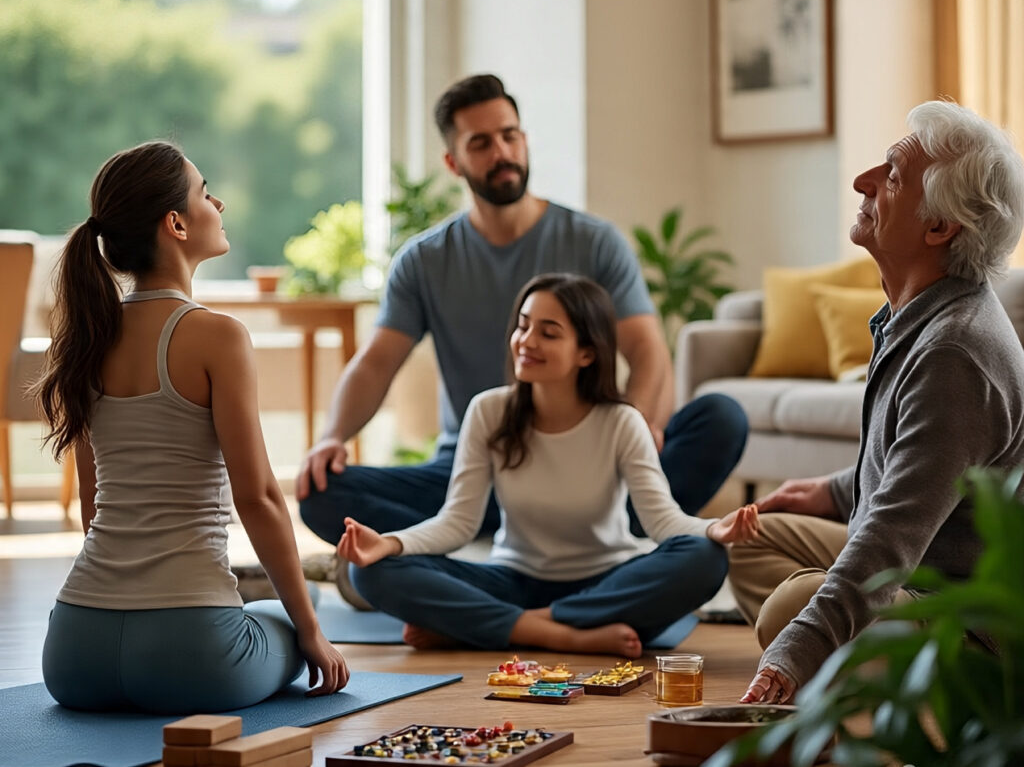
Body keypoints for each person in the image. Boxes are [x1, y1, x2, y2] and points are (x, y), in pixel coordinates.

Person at [297, 74, 748, 600]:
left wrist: (638, 429)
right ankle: (563, 572)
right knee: (322, 492)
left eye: (510, 135)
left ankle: (577, 549)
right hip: (473, 471)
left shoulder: (594, 241)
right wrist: (332, 436)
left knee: (722, 417)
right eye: (481, 143)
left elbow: (648, 350)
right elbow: (376, 363)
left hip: (596, 467)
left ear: (525, 139)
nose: (502, 151)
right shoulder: (424, 261)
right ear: (454, 163)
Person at [35, 141, 349, 714]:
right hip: (192, 655)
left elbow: (92, 504)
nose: (219, 202)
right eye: (206, 192)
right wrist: (311, 632)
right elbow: (257, 499)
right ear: (176, 223)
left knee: (269, 612)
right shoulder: (217, 336)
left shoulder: (85, 339)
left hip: (74, 652)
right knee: (293, 613)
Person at [729, 101, 1024, 705]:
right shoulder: (914, 317)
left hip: (966, 613)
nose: (863, 181)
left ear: (940, 228)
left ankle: (913, 694)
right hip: (913, 562)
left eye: (891, 177)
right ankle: (852, 673)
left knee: (790, 609)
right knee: (752, 540)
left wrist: (790, 654)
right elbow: (928, 467)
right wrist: (834, 492)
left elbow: (890, 535)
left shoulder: (954, 353)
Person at [337, 273, 760, 656]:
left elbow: (661, 520)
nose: (527, 340)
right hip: (513, 581)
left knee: (706, 558)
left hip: (606, 583)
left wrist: (712, 529)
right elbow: (458, 523)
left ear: (587, 354)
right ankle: (556, 632)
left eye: (549, 332)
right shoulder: (488, 411)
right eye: (523, 325)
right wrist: (388, 544)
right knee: (370, 573)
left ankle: (492, 626)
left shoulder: (621, 421)